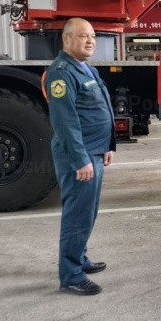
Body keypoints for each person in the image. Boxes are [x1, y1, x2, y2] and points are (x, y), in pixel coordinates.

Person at [45, 18, 115, 296]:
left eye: (93, 37)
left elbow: (100, 108)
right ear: (66, 40)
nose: (90, 41)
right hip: (80, 157)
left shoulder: (84, 68)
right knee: (77, 216)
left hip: (94, 152)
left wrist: (107, 146)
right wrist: (80, 160)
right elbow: (66, 122)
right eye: (83, 36)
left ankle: (80, 257)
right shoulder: (61, 73)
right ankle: (71, 274)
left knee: (87, 213)